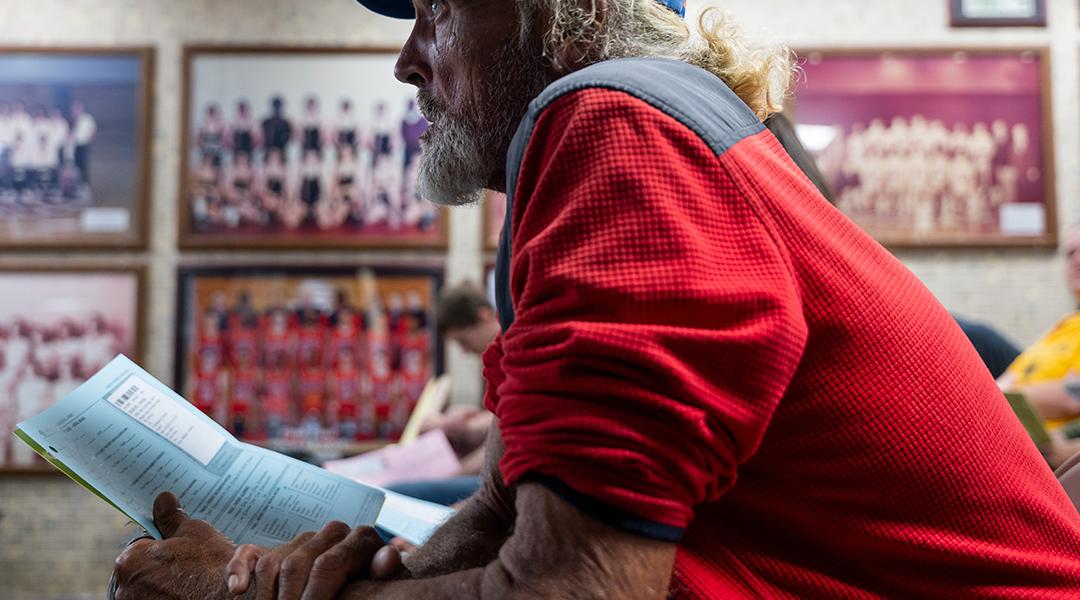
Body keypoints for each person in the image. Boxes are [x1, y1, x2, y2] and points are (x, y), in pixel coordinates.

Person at [112, 2, 1080, 599]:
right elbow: (499, 521)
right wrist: (321, 581)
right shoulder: (628, 132)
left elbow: (574, 591)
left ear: (565, 15)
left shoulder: (612, 127)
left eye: (438, 6)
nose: (408, 59)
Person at [999, 226, 1080, 455]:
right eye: (1070, 253)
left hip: (1038, 447)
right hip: (1007, 420)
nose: (1076, 260)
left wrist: (990, 402)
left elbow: (1072, 396)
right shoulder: (1062, 327)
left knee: (966, 331)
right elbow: (1009, 378)